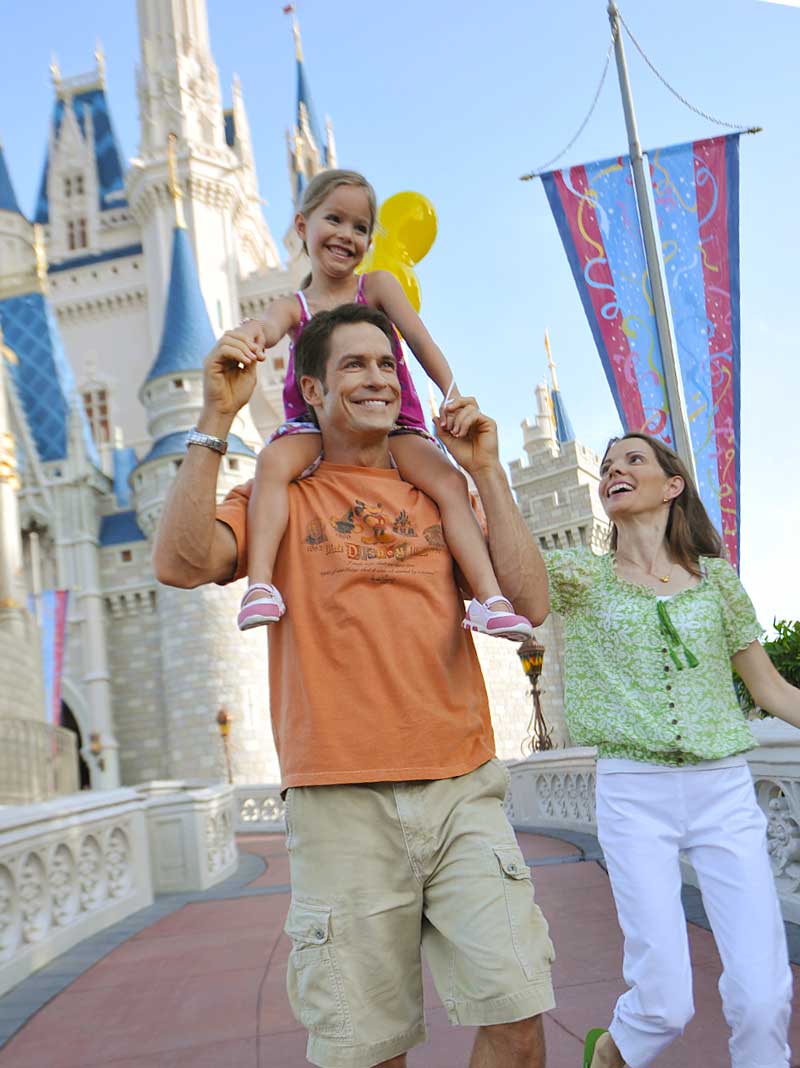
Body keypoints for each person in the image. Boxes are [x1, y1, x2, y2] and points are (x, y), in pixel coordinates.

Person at [153, 303, 556, 1068]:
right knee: (367, 1051)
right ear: (311, 389)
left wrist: (486, 469)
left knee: (517, 1018)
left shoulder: (439, 489)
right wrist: (215, 417)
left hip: (462, 792)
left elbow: (530, 602)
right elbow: (179, 562)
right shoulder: (279, 495)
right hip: (340, 807)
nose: (377, 378)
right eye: (353, 364)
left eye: (385, 364)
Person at [541, 433, 796, 1068]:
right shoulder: (579, 576)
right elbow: (505, 569)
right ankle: (612, 1052)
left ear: (672, 485)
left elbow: (769, 689)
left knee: (764, 998)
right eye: (606, 466)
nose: (614, 471)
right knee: (663, 1003)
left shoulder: (717, 582)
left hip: (724, 789)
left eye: (633, 460)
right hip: (634, 792)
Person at [232, 168, 532, 642]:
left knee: (449, 482)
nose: (346, 235)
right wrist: (251, 334)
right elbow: (267, 328)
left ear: (370, 240)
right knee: (271, 464)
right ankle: (261, 586)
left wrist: (452, 394)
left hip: (394, 422)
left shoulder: (377, 287)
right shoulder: (293, 306)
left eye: (359, 227)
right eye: (334, 219)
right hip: (316, 424)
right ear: (302, 226)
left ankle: (489, 599)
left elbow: (421, 341)